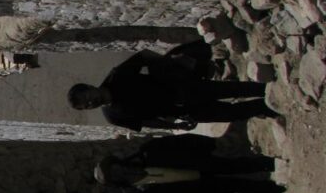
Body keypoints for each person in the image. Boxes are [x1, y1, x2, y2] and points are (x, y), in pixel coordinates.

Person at [67, 42, 275, 131]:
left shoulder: (117, 76)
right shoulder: (113, 116)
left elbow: (145, 56)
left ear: (89, 87)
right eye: (87, 106)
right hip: (183, 111)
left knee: (232, 90)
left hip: (183, 89)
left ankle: (271, 91)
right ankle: (270, 107)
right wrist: (174, 126)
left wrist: (174, 64)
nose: (91, 102)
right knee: (230, 114)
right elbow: (148, 122)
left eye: (87, 98)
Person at [94, 134, 284, 193]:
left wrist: (205, 143)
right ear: (117, 181)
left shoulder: (146, 153)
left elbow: (178, 142)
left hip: (200, 164)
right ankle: (275, 190)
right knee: (236, 186)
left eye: (116, 167)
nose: (121, 171)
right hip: (196, 190)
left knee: (235, 166)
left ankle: (272, 164)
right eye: (116, 174)